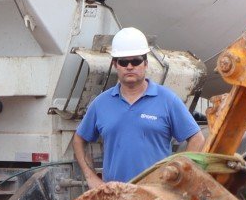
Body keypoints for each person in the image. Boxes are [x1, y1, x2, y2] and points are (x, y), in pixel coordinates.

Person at [73, 26, 202, 186]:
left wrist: (180, 176)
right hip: (115, 198)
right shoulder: (101, 104)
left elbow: (196, 138)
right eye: (123, 62)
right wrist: (90, 177)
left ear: (145, 63)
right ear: (115, 64)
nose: (129, 66)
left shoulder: (167, 100)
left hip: (156, 197)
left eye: (135, 61)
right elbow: (79, 139)